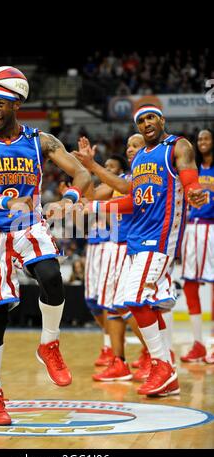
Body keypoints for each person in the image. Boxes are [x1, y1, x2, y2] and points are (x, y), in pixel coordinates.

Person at [0, 66, 91, 425]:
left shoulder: (40, 141)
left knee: (51, 275)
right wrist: (3, 203)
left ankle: (49, 343)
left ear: (16, 104)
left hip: (26, 223)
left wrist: (73, 195)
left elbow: (81, 172)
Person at [84, 104, 207, 396]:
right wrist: (93, 207)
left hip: (161, 237)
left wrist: (195, 192)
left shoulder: (178, 146)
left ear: (162, 120)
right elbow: (133, 202)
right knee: (147, 304)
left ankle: (162, 365)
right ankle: (166, 371)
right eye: (140, 120)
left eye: (151, 117)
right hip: (137, 240)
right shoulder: (140, 157)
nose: (146, 123)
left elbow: (189, 181)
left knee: (133, 298)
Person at [74, 138, 148, 382]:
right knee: (112, 306)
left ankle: (155, 353)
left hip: (133, 246)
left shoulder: (134, 178)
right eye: (128, 145)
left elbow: (121, 195)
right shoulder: (123, 180)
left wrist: (92, 166)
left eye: (135, 145)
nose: (130, 148)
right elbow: (93, 195)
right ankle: (120, 362)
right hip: (118, 247)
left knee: (128, 306)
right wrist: (85, 167)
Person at [181, 129, 214, 363]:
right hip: (190, 229)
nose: (202, 141)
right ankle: (199, 343)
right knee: (190, 285)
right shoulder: (190, 170)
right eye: (199, 138)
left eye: (207, 138)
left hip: (211, 228)